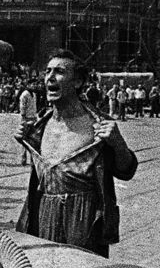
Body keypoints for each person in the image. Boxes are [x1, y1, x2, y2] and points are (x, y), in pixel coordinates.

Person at [15, 49, 138, 257]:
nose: (50, 78)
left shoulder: (99, 124)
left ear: (78, 82)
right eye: (48, 71)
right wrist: (25, 139)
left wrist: (118, 144)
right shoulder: (39, 126)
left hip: (84, 218)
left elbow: (127, 170)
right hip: (45, 213)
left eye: (59, 71)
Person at [17, 79, 38, 165]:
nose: (34, 86)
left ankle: (32, 159)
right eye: (32, 84)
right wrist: (23, 118)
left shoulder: (34, 94)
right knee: (24, 138)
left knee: (33, 138)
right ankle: (23, 158)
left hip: (33, 117)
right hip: (26, 118)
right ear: (28, 85)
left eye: (35, 84)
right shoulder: (25, 94)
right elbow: (22, 106)